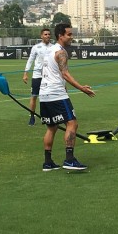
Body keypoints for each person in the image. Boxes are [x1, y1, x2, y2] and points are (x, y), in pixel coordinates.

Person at [39, 22, 95, 171]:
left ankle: (48, 162)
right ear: (60, 36)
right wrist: (82, 88)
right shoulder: (61, 52)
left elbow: (51, 73)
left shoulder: (49, 50)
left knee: (52, 127)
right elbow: (65, 74)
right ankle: (69, 160)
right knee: (72, 123)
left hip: (44, 94)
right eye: (69, 34)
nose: (71, 37)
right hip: (56, 94)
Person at [22, 28, 52, 126]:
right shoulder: (36, 47)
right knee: (34, 96)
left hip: (49, 76)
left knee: (47, 96)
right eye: (45, 34)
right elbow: (30, 60)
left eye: (49, 34)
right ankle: (32, 116)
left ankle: (46, 116)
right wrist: (26, 73)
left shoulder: (53, 47)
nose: (47, 36)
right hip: (37, 76)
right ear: (41, 36)